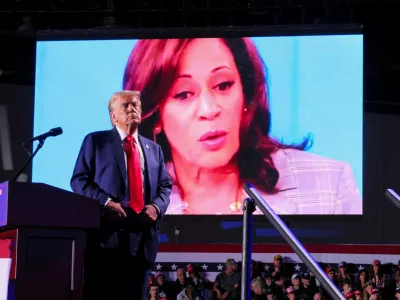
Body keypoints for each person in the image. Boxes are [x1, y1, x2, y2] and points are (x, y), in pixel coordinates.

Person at [122, 37, 362, 215]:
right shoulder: (133, 200)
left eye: (223, 85)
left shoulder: (329, 184)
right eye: (184, 94)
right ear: (155, 117)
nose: (209, 109)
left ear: (246, 96)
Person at [70, 90, 172, 300]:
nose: (131, 109)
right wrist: (106, 203)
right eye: (125, 106)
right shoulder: (96, 142)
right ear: (112, 116)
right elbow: (79, 180)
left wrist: (156, 207)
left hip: (143, 238)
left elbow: (165, 186)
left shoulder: (154, 149)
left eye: (135, 105)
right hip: (106, 237)